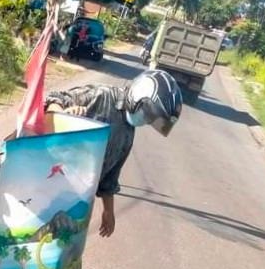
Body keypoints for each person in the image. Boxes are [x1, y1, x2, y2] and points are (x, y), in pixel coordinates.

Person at [44, 69, 183, 237]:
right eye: (149, 114)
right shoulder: (102, 97)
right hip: (46, 184)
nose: (147, 120)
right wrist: (60, 114)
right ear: (139, 96)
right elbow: (56, 98)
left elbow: (110, 178)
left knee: (64, 257)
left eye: (151, 119)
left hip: (77, 199)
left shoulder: (127, 134)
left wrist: (108, 211)